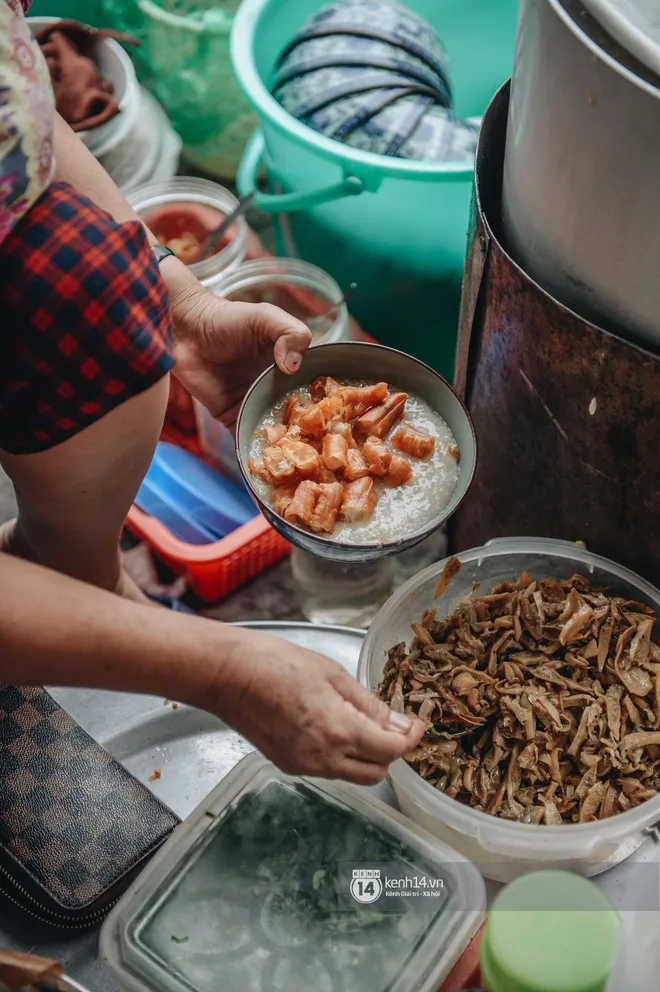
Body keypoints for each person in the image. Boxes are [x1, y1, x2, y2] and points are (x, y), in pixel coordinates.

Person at [0, 0, 423, 783]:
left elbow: (19, 117)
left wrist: (179, 304)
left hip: (71, 539)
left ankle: (78, 585)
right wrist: (220, 670)